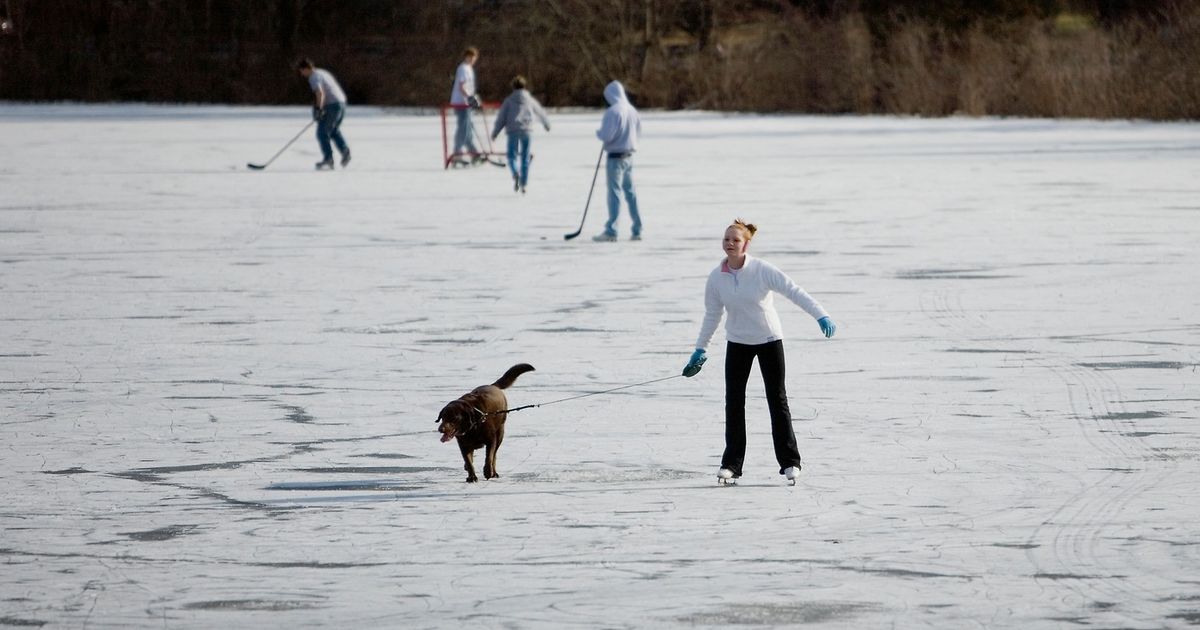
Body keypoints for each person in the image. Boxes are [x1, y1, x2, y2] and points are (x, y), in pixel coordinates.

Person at [682, 219, 837, 485]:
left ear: (746, 244)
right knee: (734, 403)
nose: (730, 243)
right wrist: (700, 349)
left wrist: (820, 315)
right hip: (738, 342)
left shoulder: (762, 270)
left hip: (768, 340)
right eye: (726, 239)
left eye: (736, 240)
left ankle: (790, 463)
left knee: (777, 400)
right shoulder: (716, 277)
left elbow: (793, 291)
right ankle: (731, 464)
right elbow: (712, 315)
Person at [592, 80, 642, 242]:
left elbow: (607, 135)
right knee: (630, 192)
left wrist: (599, 133)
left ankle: (611, 231)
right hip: (629, 156)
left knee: (614, 193)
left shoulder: (613, 111)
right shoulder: (632, 110)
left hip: (615, 158)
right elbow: (638, 132)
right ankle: (637, 228)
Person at [491, 75, 551, 194]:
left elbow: (501, 118)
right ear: (524, 86)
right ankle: (523, 184)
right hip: (526, 131)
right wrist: (546, 124)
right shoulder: (529, 99)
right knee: (525, 157)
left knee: (512, 156)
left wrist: (495, 132)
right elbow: (539, 111)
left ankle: (515, 173)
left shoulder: (508, 100)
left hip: (513, 130)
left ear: (513, 87)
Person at [296, 58, 351, 170]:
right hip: (341, 103)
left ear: (306, 69)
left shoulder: (313, 77)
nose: (301, 74)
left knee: (322, 132)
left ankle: (328, 160)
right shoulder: (322, 72)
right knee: (333, 130)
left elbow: (320, 93)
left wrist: (318, 109)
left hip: (332, 105)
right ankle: (345, 152)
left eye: (301, 71)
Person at [449, 46, 484, 166]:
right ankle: (457, 155)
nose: (474, 60)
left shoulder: (469, 68)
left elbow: (469, 87)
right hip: (461, 102)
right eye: (472, 57)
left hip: (466, 103)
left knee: (468, 129)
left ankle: (474, 153)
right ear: (468, 57)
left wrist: (474, 98)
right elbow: (462, 86)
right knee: (463, 129)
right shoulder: (463, 68)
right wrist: (470, 98)